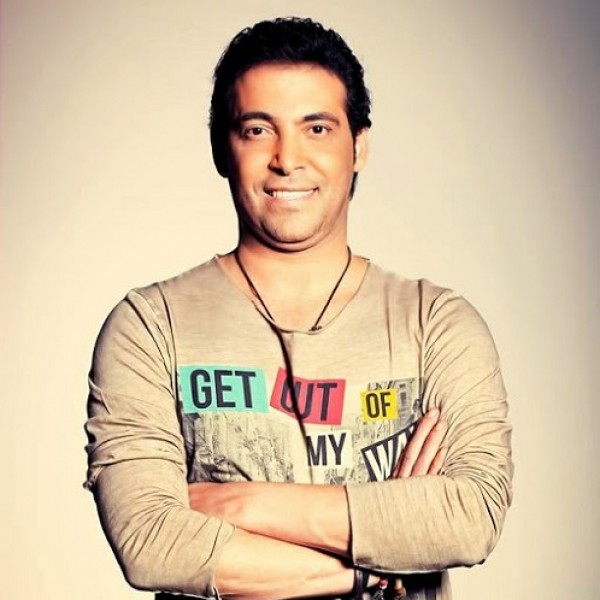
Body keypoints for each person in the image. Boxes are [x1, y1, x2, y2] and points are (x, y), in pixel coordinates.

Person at [84, 17, 512, 600]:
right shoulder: (150, 326)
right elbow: (152, 543)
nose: (288, 158)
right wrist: (372, 566)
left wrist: (242, 505)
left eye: (317, 128)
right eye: (258, 129)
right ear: (222, 147)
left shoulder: (436, 325)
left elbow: (470, 515)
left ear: (358, 147)